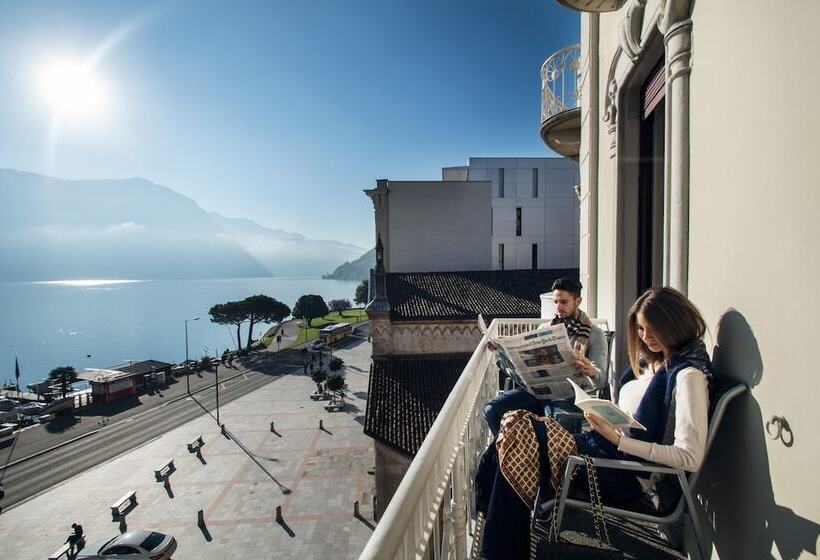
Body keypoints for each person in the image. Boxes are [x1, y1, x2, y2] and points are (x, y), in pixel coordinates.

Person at [478, 287, 713, 559]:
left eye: (652, 329)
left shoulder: (689, 376)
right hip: (599, 449)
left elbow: (690, 457)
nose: (646, 338)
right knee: (515, 430)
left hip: (618, 473)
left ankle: (495, 538)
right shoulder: (661, 364)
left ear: (674, 324)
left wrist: (619, 440)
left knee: (517, 432)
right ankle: (501, 549)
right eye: (640, 329)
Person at [484, 277, 609, 436]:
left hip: (569, 397)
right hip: (538, 392)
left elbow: (602, 380)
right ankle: (505, 455)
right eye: (556, 302)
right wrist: (501, 351)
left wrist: (591, 371)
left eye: (563, 302)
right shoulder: (544, 328)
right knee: (492, 409)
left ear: (578, 301)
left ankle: (541, 457)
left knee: (554, 425)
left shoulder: (594, 334)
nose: (558, 307)